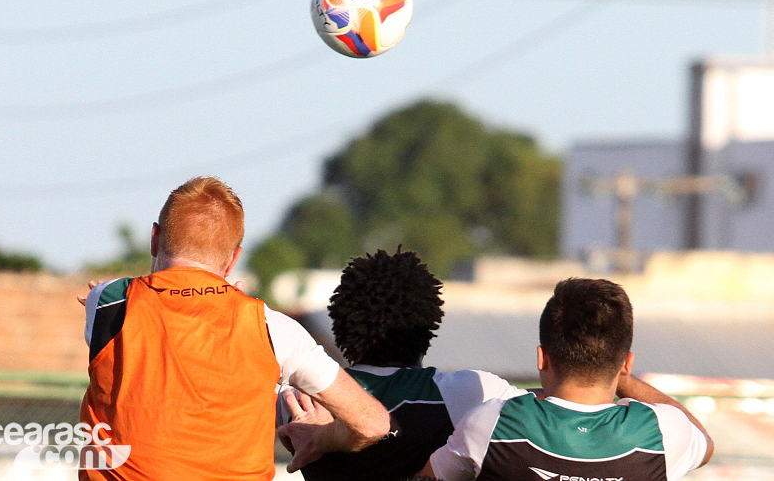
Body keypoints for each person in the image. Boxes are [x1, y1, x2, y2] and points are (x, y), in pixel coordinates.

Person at [78, 176, 389, 481]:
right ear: (234, 258)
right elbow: (373, 424)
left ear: (155, 239)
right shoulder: (275, 330)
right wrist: (321, 438)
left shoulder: (107, 302)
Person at [419, 277, 714, 481]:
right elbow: (704, 442)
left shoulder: (493, 422)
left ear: (541, 358)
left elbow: (426, 477)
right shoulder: (663, 431)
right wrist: (619, 373)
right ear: (626, 362)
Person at [279, 248, 523, 481]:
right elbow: (554, 407)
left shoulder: (296, 400)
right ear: (427, 323)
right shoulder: (469, 393)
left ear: (341, 322)